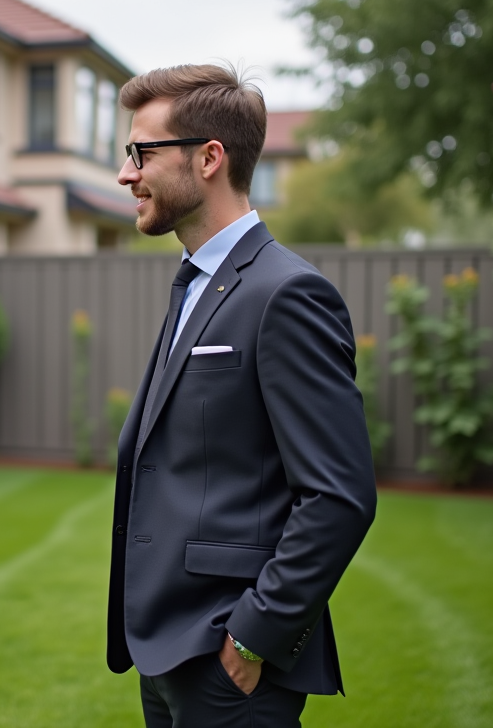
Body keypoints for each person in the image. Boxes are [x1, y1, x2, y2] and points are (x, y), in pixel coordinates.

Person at [106, 64, 377, 727]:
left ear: (208, 158)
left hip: (229, 662)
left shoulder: (286, 294)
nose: (126, 174)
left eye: (141, 152)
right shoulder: (198, 281)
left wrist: (254, 634)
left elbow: (339, 495)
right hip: (164, 651)